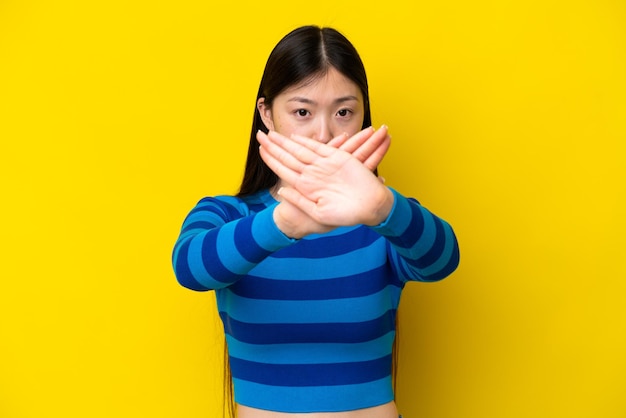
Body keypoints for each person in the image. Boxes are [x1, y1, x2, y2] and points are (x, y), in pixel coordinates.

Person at [172, 25, 460, 418]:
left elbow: (443, 260)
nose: (324, 134)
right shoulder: (229, 215)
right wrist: (284, 223)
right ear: (266, 114)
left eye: (344, 112)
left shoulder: (384, 219)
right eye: (302, 112)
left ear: (363, 117)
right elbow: (189, 268)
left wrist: (382, 208)